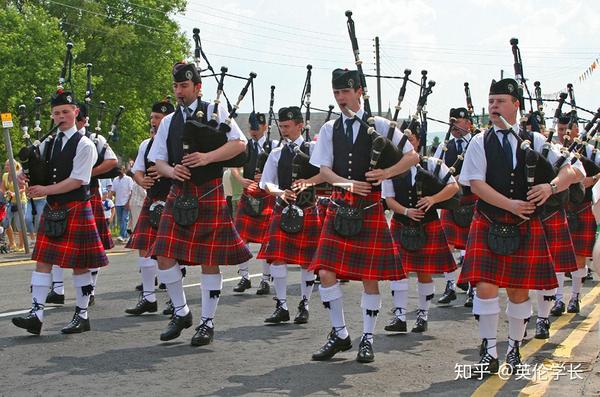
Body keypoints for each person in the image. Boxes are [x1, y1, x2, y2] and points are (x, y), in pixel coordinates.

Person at [458, 78, 574, 375]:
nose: (494, 106)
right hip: (489, 220)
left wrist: (551, 187)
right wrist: (509, 204)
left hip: (524, 226)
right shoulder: (479, 141)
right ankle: (489, 351)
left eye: (500, 101)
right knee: (485, 287)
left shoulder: (534, 140)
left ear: (516, 105)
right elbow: (475, 184)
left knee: (518, 291)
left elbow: (573, 170)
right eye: (491, 100)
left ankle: (513, 349)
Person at [308, 69, 419, 363]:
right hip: (340, 202)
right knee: (325, 272)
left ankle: (367, 339)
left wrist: (386, 173)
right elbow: (323, 171)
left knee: (370, 278)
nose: (341, 99)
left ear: (359, 92)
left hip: (369, 206)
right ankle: (340, 333)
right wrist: (345, 183)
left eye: (345, 92)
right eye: (336, 94)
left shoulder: (380, 125)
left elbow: (412, 157)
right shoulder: (331, 129)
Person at [147, 62, 251, 346]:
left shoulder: (216, 112)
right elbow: (158, 160)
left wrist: (207, 157)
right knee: (163, 254)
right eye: (176, 87)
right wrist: (171, 171)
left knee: (209, 260)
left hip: (208, 190)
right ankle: (181, 311)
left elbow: (240, 145)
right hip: (179, 192)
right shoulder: (169, 122)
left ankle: (207, 322)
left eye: (184, 86)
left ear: (197, 87)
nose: (179, 92)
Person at [11, 89, 108, 335]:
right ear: (52, 116)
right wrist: (25, 175)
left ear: (75, 113)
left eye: (66, 111)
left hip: (75, 206)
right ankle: (36, 313)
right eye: (56, 113)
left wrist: (45, 189)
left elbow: (78, 180)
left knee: (80, 266)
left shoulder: (85, 144)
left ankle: (82, 315)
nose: (61, 116)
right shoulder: (48, 143)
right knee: (43, 261)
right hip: (54, 208)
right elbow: (38, 167)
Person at [383, 129, 459, 334]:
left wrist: (433, 199)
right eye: (402, 141)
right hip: (401, 223)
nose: (405, 144)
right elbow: (389, 200)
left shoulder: (433, 165)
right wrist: (406, 211)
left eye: (410, 140)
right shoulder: (389, 170)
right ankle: (399, 316)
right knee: (398, 273)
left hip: (428, 225)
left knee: (424, 273)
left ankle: (422, 316)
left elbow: (453, 187)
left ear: (417, 143)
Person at [257, 106, 323, 324]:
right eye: (281, 126)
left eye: (287, 126)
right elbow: (265, 182)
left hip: (308, 209)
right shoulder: (276, 154)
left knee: (307, 262)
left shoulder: (314, 150)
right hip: (283, 210)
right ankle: (282, 305)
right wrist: (279, 192)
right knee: (277, 259)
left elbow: (325, 174)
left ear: (299, 126)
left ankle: (304, 305)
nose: (283, 130)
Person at [124, 99, 174, 315]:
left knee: (173, 250)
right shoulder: (146, 144)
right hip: (152, 200)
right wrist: (140, 180)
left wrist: (165, 170)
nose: (154, 121)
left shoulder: (176, 142)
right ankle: (148, 297)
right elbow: (137, 170)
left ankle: (174, 300)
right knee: (144, 247)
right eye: (153, 117)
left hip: (173, 200)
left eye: (159, 118)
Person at [550, 117, 599, 316]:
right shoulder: (552, 149)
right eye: (560, 129)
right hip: (561, 207)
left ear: (578, 130)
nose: (563, 133)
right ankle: (558, 300)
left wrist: (593, 179)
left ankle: (575, 298)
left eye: (567, 129)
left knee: (579, 257)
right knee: (558, 257)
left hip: (583, 206)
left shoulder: (589, 152)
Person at [434, 108, 476, 306]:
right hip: (450, 202)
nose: (454, 126)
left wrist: (463, 178)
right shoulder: (444, 146)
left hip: (473, 199)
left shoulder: (477, 143)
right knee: (446, 246)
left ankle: (472, 289)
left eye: (458, 122)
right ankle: (450, 286)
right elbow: (434, 169)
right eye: (451, 122)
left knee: (474, 246)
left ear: (468, 123)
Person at [231, 111, 277, 295]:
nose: (253, 132)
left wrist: (267, 178)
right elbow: (234, 166)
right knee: (241, 237)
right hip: (248, 193)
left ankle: (265, 280)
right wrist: (241, 180)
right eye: (251, 128)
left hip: (267, 194)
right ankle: (244, 277)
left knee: (267, 239)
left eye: (257, 128)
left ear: (265, 127)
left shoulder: (273, 145)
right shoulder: (245, 146)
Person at [111, 165, 134, 242]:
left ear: (124, 170)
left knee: (124, 219)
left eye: (120, 170)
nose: (119, 172)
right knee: (120, 220)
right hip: (118, 203)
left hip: (126, 202)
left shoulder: (128, 179)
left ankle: (122, 235)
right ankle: (126, 235)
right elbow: (113, 191)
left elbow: (131, 191)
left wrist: (128, 202)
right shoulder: (115, 179)